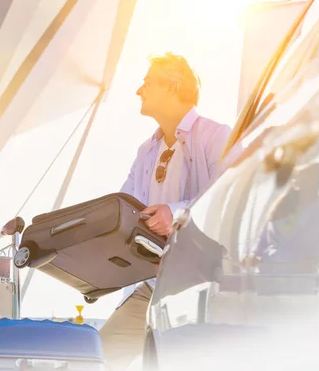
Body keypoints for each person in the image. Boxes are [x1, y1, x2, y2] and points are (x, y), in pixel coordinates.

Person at [99, 53, 233, 370]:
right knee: (101, 357)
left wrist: (174, 214)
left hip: (198, 283)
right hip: (150, 281)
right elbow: (127, 204)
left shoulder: (217, 136)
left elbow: (228, 196)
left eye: (147, 82)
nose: (139, 90)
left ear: (172, 86)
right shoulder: (146, 150)